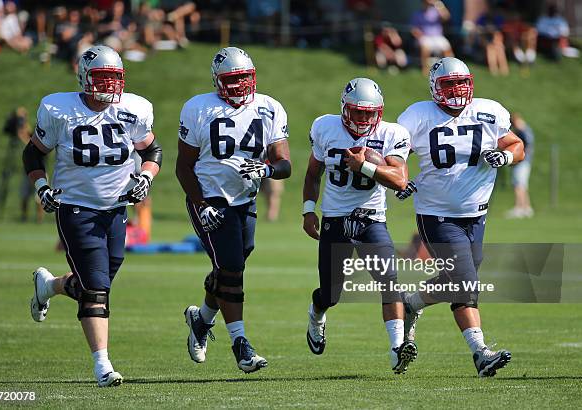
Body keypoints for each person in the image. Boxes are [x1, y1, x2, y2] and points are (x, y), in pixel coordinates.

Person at [23, 45, 162, 387]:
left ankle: (50, 286)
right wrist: (42, 187)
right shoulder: (60, 109)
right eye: (102, 77)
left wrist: (145, 177)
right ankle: (103, 365)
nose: (109, 85)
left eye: (114, 78)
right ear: (84, 78)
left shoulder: (134, 108)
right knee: (97, 289)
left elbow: (152, 150)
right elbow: (33, 153)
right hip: (76, 208)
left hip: (116, 210)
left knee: (95, 282)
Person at [396, 57, 525, 377]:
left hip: (476, 215)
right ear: (434, 87)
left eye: (461, 83)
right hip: (437, 214)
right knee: (465, 281)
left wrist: (505, 155)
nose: (456, 90)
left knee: (459, 282)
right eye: (448, 84)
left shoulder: (489, 110)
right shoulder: (418, 115)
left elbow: (516, 144)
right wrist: (400, 178)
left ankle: (410, 303)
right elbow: (395, 153)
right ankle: (481, 353)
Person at [176, 46, 291, 373]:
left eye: (244, 77)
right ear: (217, 81)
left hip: (245, 201)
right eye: (233, 78)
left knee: (230, 266)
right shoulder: (198, 108)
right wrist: (201, 205)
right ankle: (240, 344)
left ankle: (202, 319)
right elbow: (183, 167)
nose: (240, 84)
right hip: (210, 198)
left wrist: (266, 170)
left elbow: (284, 164)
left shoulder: (269, 108)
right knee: (232, 268)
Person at [302, 77, 416, 374]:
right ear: (344, 108)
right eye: (358, 111)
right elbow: (313, 174)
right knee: (330, 294)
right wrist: (308, 210)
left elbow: (400, 180)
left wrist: (365, 166)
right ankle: (316, 315)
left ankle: (396, 348)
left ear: (379, 111)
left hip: (371, 219)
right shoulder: (325, 127)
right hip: (335, 220)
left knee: (389, 280)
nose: (364, 118)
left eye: (370, 112)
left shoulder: (392, 133)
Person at [410, 0, 453, 75]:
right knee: (425, 47)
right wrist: (419, 36)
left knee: (447, 48)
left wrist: (439, 5)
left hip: (438, 37)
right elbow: (414, 29)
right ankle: (425, 70)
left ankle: (450, 68)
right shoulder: (417, 14)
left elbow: (446, 17)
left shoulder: (436, 12)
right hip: (425, 37)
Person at [505, 112, 534, 218]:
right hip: (526, 161)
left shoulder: (522, 131)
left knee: (518, 185)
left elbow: (522, 146)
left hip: (522, 161)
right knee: (523, 185)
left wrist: (515, 158)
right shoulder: (527, 129)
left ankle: (519, 208)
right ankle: (526, 207)